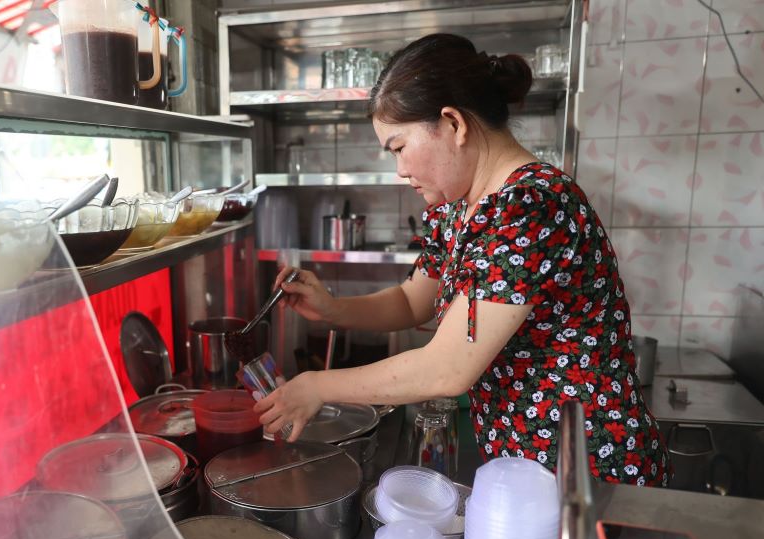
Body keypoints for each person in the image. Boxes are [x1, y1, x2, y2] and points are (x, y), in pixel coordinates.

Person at [254, 33, 668, 486]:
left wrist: (319, 385)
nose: (400, 170)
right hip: (522, 469)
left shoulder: (532, 205)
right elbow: (414, 301)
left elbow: (446, 368)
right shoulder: (458, 206)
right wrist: (333, 308)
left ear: (453, 123)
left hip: (585, 469)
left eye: (399, 147)